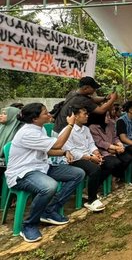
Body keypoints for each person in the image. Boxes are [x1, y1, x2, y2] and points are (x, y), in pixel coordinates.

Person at [5, 103, 85, 243]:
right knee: (49, 186)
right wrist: (70, 125)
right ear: (35, 119)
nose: (49, 114)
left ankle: (49, 210)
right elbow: (57, 144)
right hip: (23, 173)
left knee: (78, 173)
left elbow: (48, 150)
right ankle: (29, 225)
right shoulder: (28, 133)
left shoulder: (39, 128)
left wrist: (65, 152)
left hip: (41, 167)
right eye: (45, 113)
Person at [61, 106, 112, 212]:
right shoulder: (67, 131)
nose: (87, 116)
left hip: (88, 156)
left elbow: (91, 144)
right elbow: (71, 152)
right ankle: (91, 200)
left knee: (109, 163)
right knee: (95, 169)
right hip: (74, 160)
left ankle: (89, 190)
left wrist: (96, 153)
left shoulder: (86, 129)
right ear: (75, 116)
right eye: (84, 114)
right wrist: (90, 158)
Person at [54, 76, 118, 133]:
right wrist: (112, 99)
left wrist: (105, 98)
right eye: (93, 88)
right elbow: (101, 110)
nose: (95, 90)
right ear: (86, 88)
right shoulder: (82, 100)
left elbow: (92, 99)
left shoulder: (73, 93)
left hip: (57, 128)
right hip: (64, 132)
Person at [89, 109, 132, 184]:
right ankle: (99, 183)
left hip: (114, 148)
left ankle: (115, 176)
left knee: (127, 158)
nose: (109, 117)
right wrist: (115, 148)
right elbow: (99, 142)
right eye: (106, 116)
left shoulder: (111, 124)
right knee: (115, 162)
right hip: (102, 151)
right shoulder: (93, 127)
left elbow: (115, 137)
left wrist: (120, 145)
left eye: (109, 115)